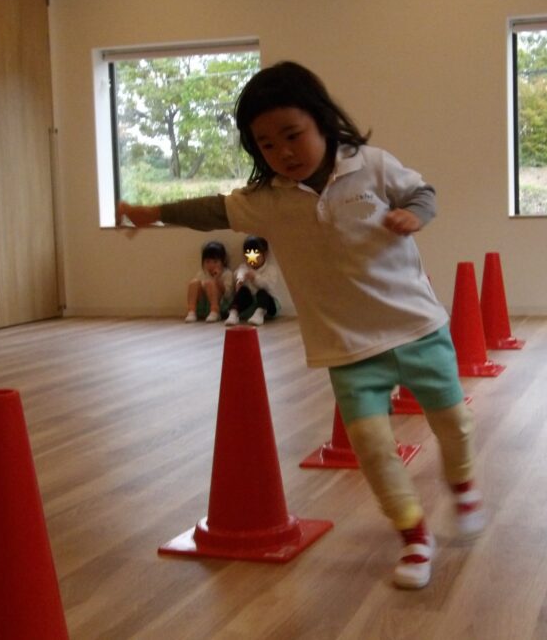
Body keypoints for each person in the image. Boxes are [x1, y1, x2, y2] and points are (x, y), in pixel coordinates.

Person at [117, 61, 483, 589]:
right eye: (267, 144)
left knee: (454, 425)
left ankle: (463, 486)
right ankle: (414, 536)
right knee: (372, 449)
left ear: (322, 121)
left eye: (293, 135)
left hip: (416, 327)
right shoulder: (269, 201)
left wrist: (415, 216)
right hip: (347, 347)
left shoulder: (372, 166)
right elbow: (212, 209)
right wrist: (152, 213)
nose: (284, 152)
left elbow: (423, 193)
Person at [226, 235, 280, 326]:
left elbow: (268, 286)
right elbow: (239, 272)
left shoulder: (270, 269)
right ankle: (233, 313)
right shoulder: (245, 267)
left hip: (268, 305)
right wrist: (240, 279)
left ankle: (259, 313)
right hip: (249, 304)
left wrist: (255, 278)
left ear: (265, 254)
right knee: (243, 291)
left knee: (262, 292)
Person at [185, 240, 234, 323]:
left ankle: (215, 311)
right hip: (205, 302)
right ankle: (191, 311)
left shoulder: (227, 273)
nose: (211, 265)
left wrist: (217, 280)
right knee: (194, 282)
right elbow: (199, 288)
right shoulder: (203, 273)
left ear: (223, 261)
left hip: (221, 303)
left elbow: (228, 294)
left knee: (210, 283)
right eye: (207, 262)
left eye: (215, 262)